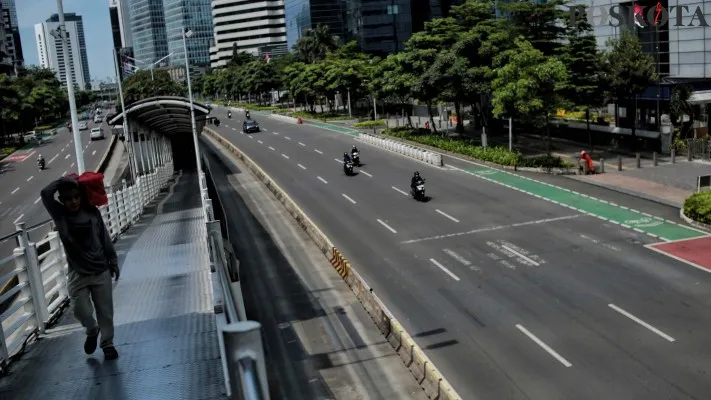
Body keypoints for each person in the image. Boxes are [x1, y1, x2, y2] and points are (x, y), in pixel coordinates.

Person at [41, 177, 120, 360]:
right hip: (78, 273)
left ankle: (107, 344)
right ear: (62, 200)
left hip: (101, 269)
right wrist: (62, 180)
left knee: (105, 311)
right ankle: (92, 330)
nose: (73, 201)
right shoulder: (60, 215)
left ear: (82, 196)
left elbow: (104, 237)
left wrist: (113, 261)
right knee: (80, 309)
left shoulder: (92, 212)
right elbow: (45, 194)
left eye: (77, 196)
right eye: (68, 198)